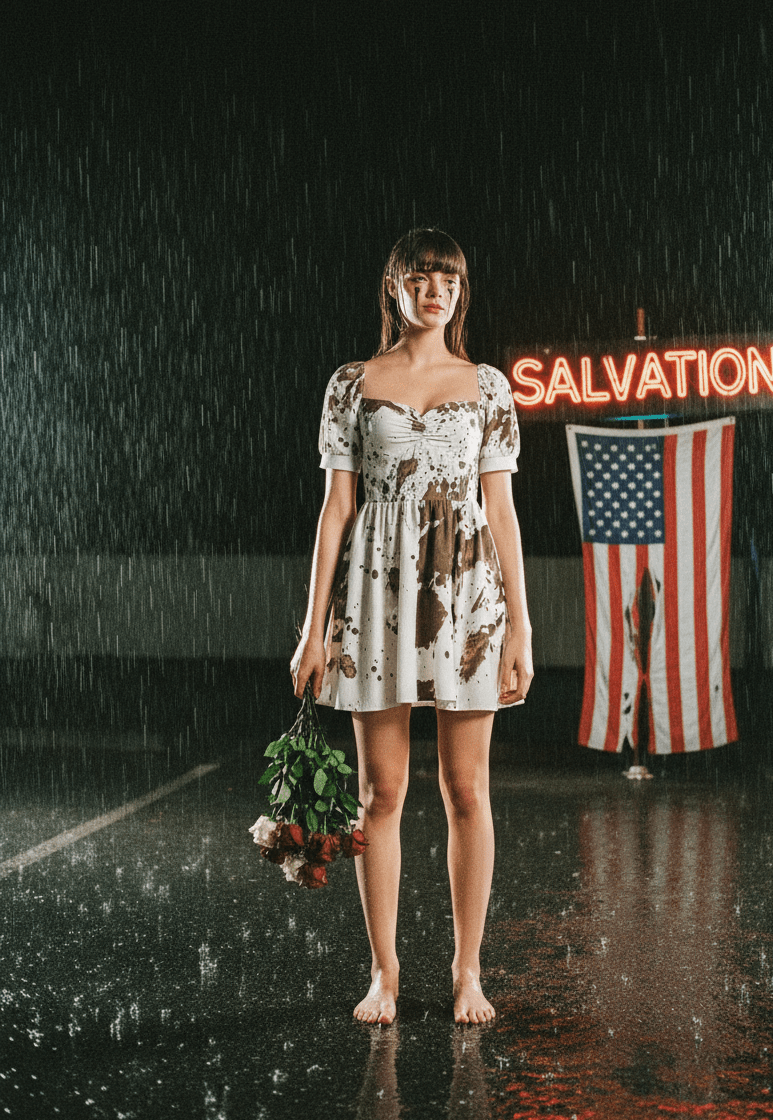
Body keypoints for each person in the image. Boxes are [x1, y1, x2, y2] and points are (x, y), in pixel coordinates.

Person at [290, 228, 533, 1025]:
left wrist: (522, 627)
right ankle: (385, 975)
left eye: (451, 280)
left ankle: (467, 972)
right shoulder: (351, 384)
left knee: (467, 789)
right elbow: (337, 510)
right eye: (422, 277)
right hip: (374, 593)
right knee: (379, 792)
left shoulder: (490, 386)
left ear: (462, 294)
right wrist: (311, 626)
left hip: (468, 596)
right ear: (393, 285)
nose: (437, 291)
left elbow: (501, 511)